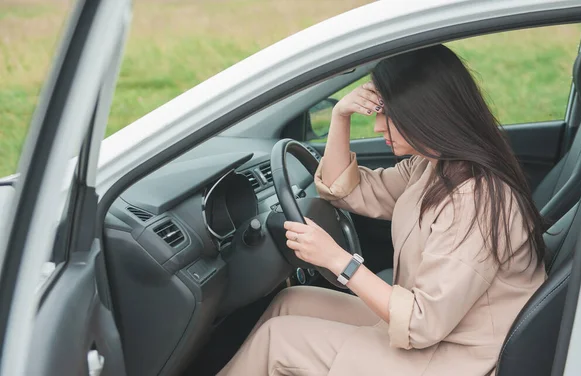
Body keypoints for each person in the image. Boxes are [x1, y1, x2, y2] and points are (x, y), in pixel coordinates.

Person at [217, 44, 547, 376]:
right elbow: (344, 190)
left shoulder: (475, 200)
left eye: (387, 113)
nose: (377, 126)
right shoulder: (434, 167)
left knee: (278, 339)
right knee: (289, 303)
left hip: (460, 358)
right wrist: (340, 116)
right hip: (443, 331)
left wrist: (335, 258)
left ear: (425, 112)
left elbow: (420, 323)